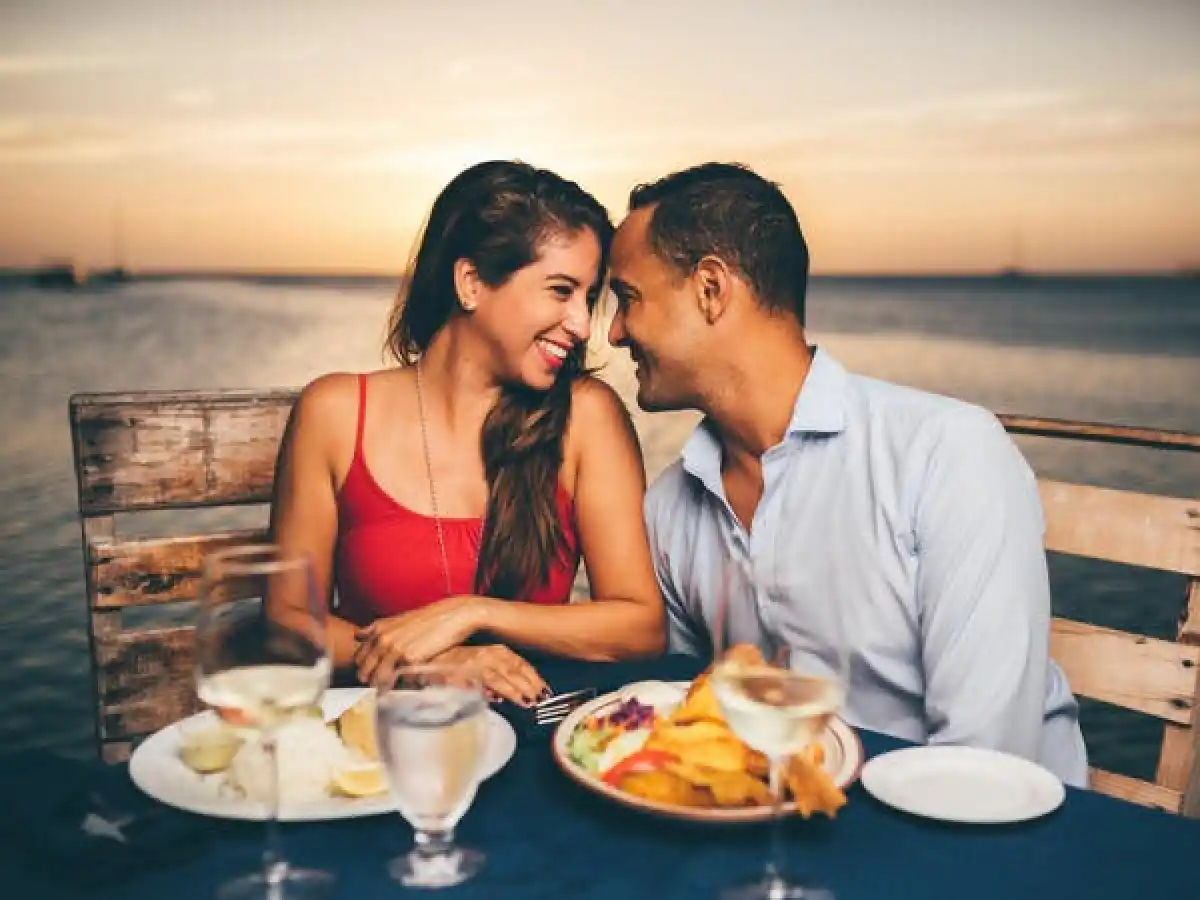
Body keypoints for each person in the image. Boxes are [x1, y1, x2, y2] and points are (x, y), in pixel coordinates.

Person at [606, 162, 1088, 786]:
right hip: (792, 825)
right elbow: (692, 723)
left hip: (990, 838)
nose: (615, 332)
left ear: (710, 289)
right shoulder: (671, 506)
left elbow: (985, 760)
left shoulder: (945, 455)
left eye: (628, 298)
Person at [270, 160, 664, 705]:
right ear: (471, 282)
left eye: (588, 297)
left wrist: (470, 613)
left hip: (526, 736)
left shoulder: (586, 418)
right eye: (560, 290)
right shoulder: (335, 412)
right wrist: (441, 662)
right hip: (375, 743)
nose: (581, 324)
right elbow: (288, 625)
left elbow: (640, 628)